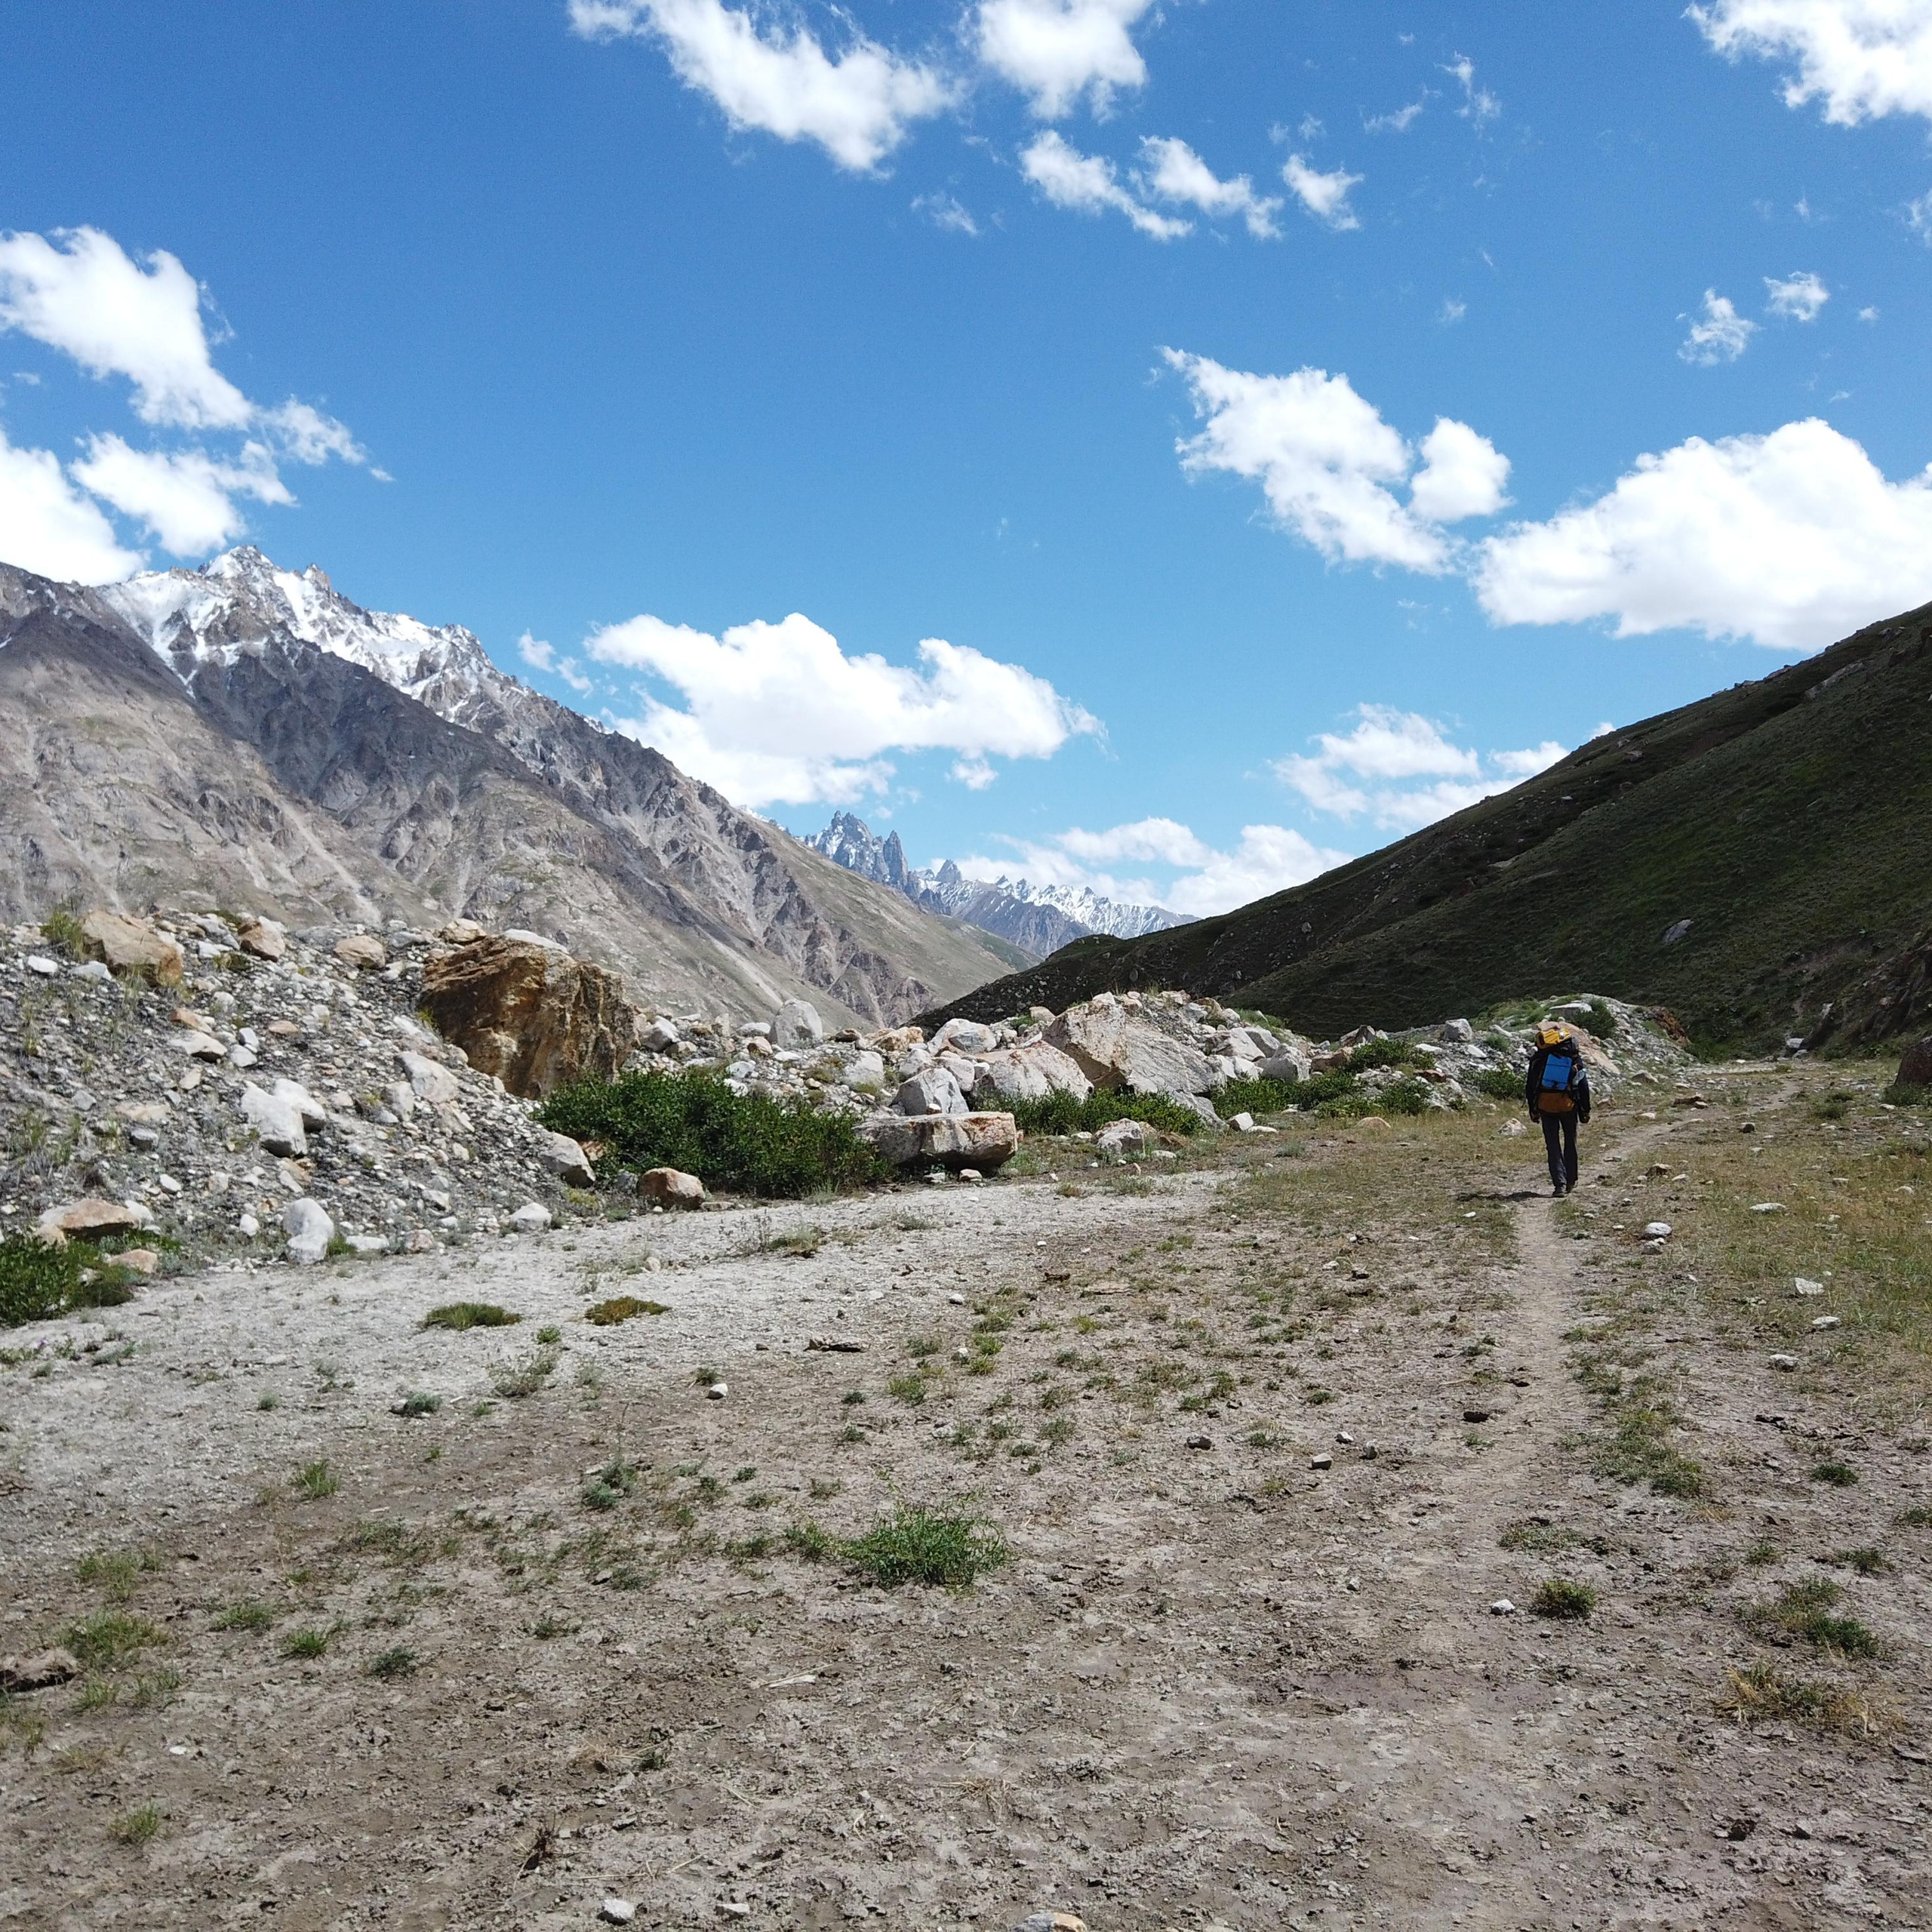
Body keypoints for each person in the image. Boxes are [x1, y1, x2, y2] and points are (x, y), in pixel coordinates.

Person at [1525, 1021, 1591, 1196]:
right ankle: (1571, 1181)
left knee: (1552, 1145)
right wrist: (1585, 1109)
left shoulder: (1539, 1059)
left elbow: (1531, 1085)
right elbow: (1582, 1084)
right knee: (1571, 1141)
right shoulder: (1573, 1058)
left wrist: (1533, 1108)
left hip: (1546, 1106)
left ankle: (1559, 1185)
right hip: (1568, 1105)